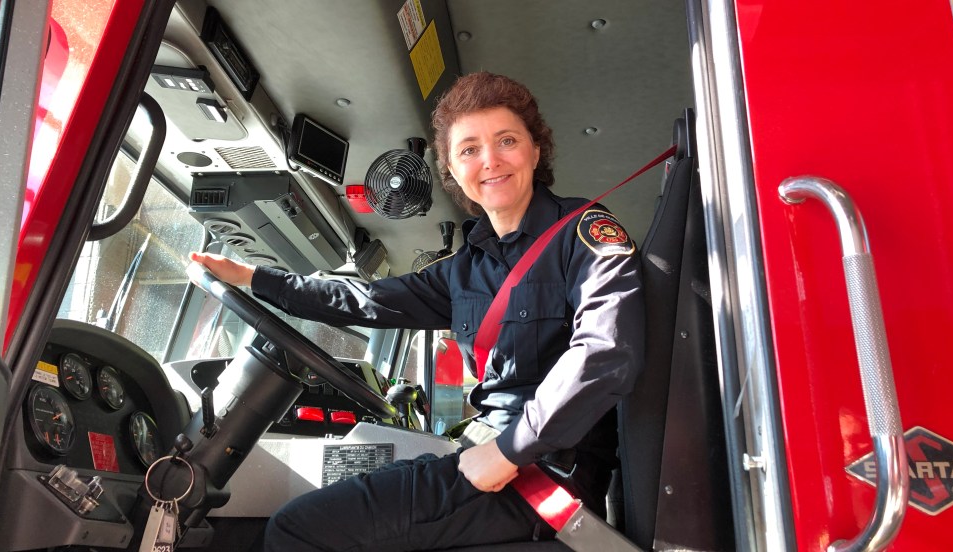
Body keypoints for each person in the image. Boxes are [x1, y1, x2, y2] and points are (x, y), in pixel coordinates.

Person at [190, 72, 645, 551]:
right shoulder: (465, 270)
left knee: (295, 530)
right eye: (469, 149)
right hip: (487, 453)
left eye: (507, 141)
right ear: (452, 170)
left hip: (545, 475)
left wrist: (511, 450)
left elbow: (606, 352)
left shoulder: (584, 232)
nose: (490, 160)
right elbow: (367, 300)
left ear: (535, 150)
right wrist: (254, 278)